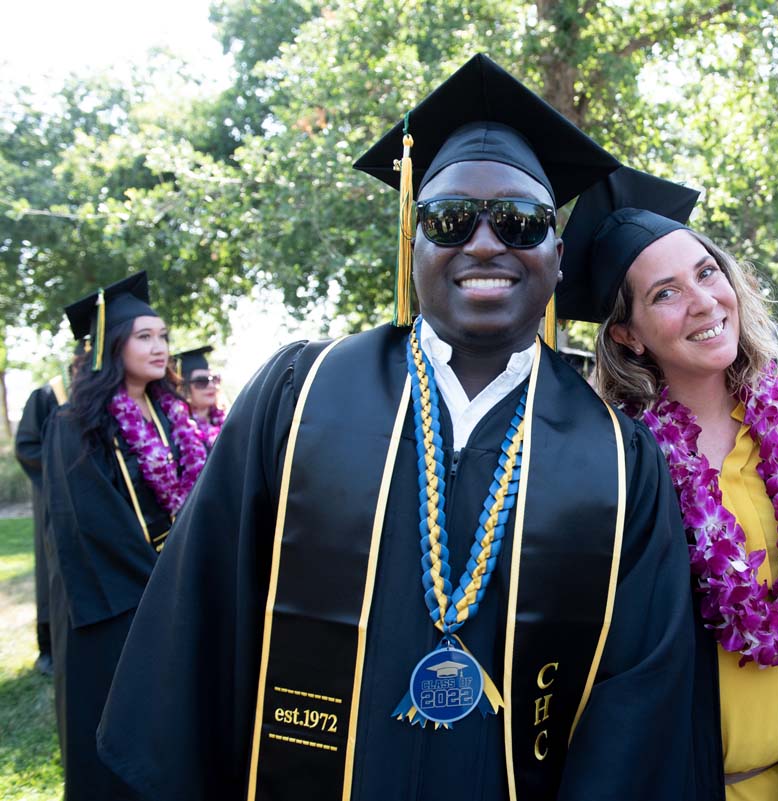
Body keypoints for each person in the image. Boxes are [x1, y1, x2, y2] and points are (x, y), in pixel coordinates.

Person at [98, 55, 694, 801]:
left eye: (520, 222)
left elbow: (640, 703)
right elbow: (199, 627)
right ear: (412, 242)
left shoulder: (617, 457)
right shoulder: (300, 394)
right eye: (448, 219)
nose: (484, 243)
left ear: (556, 255)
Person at [565, 166, 778, 801]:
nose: (705, 301)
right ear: (627, 335)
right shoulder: (616, 463)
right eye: (665, 293)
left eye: (708, 272)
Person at [42, 271, 208, 800]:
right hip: (116, 602)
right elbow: (87, 525)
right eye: (144, 337)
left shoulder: (171, 414)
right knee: (116, 726)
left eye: (163, 335)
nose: (160, 347)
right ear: (112, 347)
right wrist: (163, 582)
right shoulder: (76, 424)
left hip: (172, 588)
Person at [14, 358, 75, 676]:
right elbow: (25, 445)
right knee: (51, 571)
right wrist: (62, 471)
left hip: (87, 500)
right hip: (54, 496)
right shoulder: (49, 394)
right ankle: (48, 649)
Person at [175, 345, 225, 448]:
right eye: (201, 381)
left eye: (214, 379)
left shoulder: (227, 423)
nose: (211, 386)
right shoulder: (177, 429)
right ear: (184, 387)